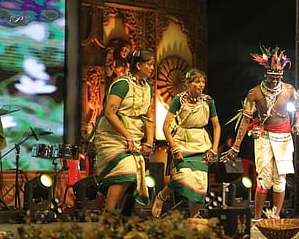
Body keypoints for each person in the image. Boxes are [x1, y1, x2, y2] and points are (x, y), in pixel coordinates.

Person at [220, 45, 299, 221]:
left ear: (282, 75)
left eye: (277, 77)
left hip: (284, 138)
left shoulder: (289, 90)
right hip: (264, 137)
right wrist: (236, 146)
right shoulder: (255, 93)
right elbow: (245, 120)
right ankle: (257, 217)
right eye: (271, 77)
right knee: (264, 177)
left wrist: (297, 124)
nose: (274, 81)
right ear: (265, 74)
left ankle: (275, 216)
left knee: (280, 178)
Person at [92, 48, 156, 214]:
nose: (152, 68)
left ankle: (120, 216)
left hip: (133, 135)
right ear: (139, 65)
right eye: (149, 64)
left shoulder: (148, 87)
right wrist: (127, 136)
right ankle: (109, 213)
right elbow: (109, 112)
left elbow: (149, 115)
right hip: (112, 135)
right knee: (127, 170)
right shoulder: (122, 85)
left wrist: (149, 141)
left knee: (132, 178)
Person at [151, 68, 221, 218]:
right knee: (182, 176)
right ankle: (161, 196)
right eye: (197, 81)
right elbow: (166, 126)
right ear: (188, 83)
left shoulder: (208, 101)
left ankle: (193, 219)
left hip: (201, 144)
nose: (201, 85)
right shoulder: (179, 100)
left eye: (203, 82)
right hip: (182, 142)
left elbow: (216, 126)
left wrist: (214, 148)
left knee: (201, 183)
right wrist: (174, 147)